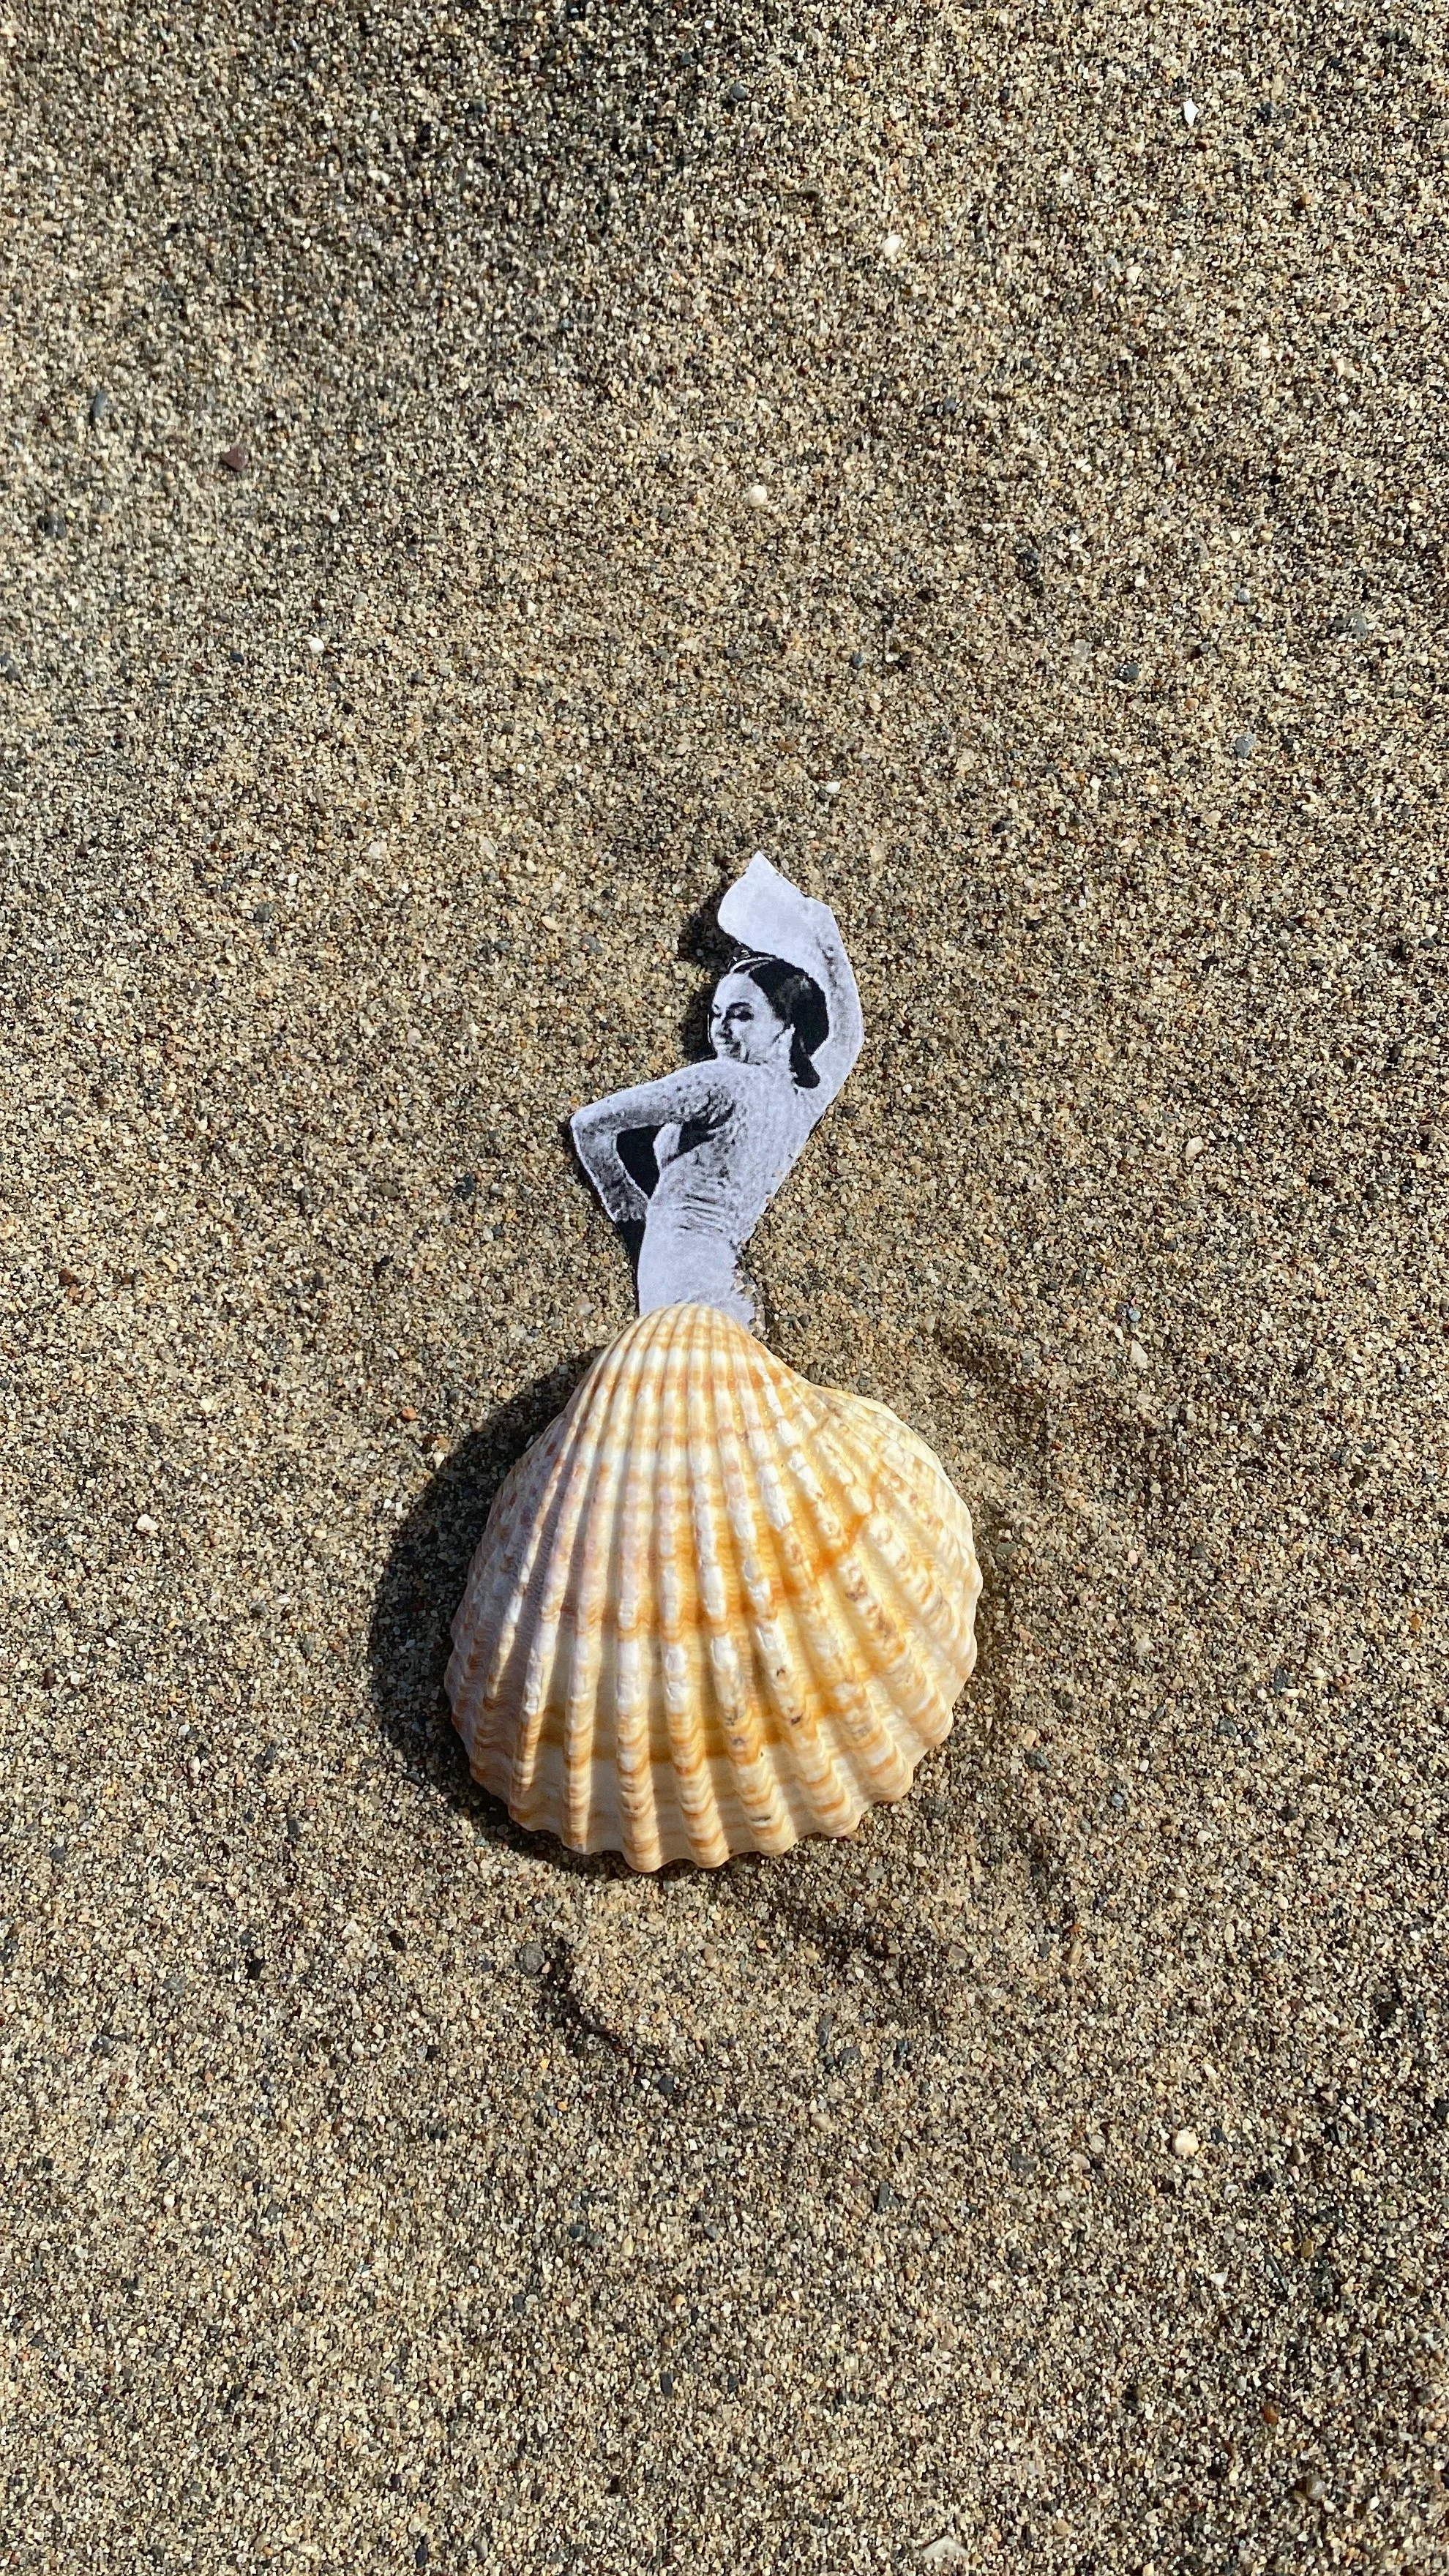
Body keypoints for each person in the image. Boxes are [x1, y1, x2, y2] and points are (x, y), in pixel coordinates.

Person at [570, 855, 864, 1326]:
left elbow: (590, 1122)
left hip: (678, 1267)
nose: (723, 1028)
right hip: (719, 1263)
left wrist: (620, 1193)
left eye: (742, 1014)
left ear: (786, 1025)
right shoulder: (803, 1094)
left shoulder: (721, 1080)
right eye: (717, 1014)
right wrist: (825, 938)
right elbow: (849, 1033)